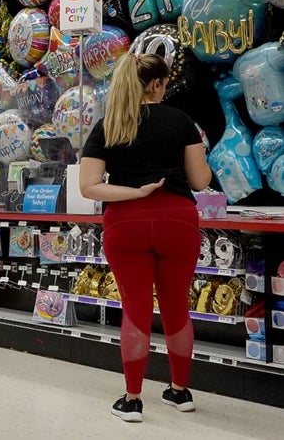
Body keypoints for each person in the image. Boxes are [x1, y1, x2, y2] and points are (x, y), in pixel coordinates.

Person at [79, 53, 212, 423]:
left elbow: (89, 188)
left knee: (135, 309)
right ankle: (180, 392)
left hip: (126, 224)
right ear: (156, 85)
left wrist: (135, 193)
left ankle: (132, 399)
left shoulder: (109, 125)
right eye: (165, 82)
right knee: (176, 307)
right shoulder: (182, 122)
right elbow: (201, 182)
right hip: (178, 222)